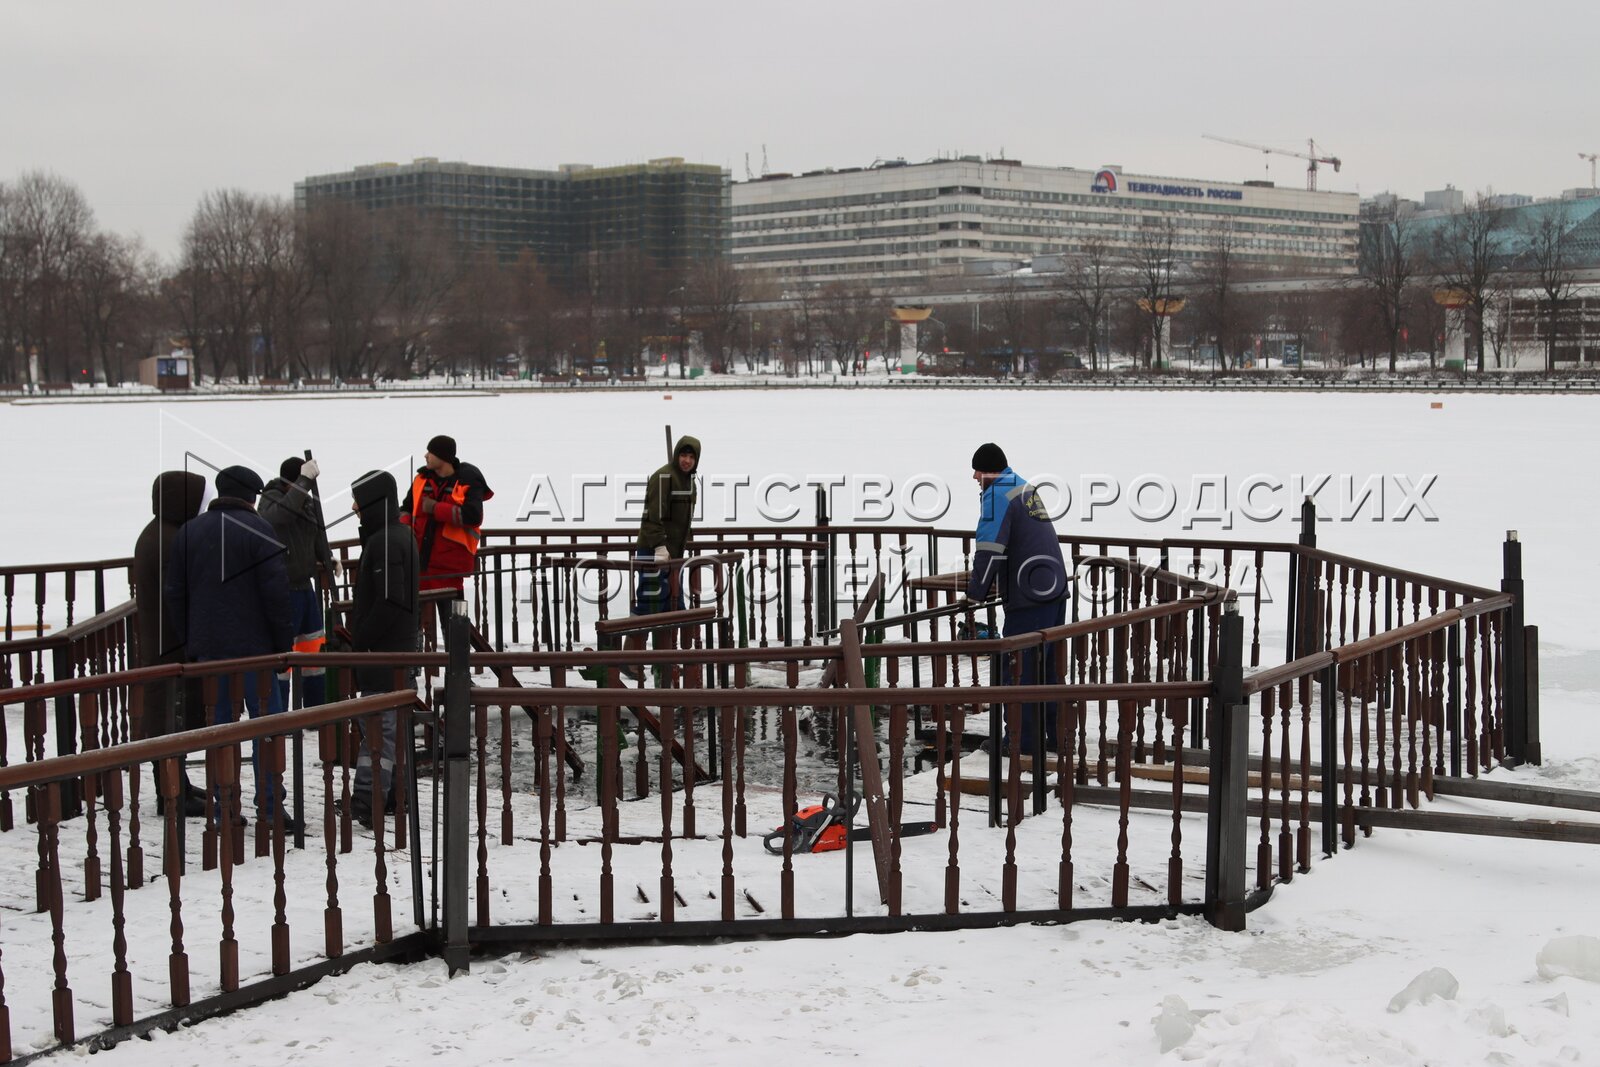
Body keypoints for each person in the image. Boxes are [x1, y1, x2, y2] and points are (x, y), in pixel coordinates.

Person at [165, 464, 296, 830]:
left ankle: (223, 808)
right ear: (251, 496)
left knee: (219, 732)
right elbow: (276, 596)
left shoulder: (189, 532)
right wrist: (282, 646)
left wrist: (191, 641)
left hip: (210, 652)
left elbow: (175, 592)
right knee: (266, 730)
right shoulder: (260, 531)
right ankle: (270, 807)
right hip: (258, 651)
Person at [966, 443, 1069, 753]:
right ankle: (1054, 738)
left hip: (1029, 595)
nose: (974, 477)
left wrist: (974, 595)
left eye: (977, 471)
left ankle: (1020, 742)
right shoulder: (1022, 486)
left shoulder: (997, 495)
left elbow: (990, 548)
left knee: (1019, 669)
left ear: (988, 471)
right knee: (1047, 671)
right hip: (1053, 588)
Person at [344, 470, 420, 827]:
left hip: (385, 653)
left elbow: (389, 600)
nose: (355, 508)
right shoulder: (397, 535)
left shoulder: (385, 542)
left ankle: (367, 799)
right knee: (389, 727)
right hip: (395, 651)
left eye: (360, 500)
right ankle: (390, 795)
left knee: (379, 728)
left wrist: (363, 639)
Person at [131, 469, 207, 815]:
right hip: (171, 645)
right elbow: (176, 596)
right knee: (170, 719)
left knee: (173, 716)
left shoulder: (161, 533)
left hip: (162, 642)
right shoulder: (168, 539)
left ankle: (177, 785)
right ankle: (171, 793)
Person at [258, 456, 336, 712]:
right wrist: (304, 482)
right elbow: (278, 517)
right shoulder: (270, 499)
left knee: (313, 651)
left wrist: (327, 558)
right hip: (282, 590)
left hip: (305, 588)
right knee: (283, 657)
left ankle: (315, 709)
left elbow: (315, 534)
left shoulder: (306, 503)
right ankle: (279, 713)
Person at [400, 435, 492, 596]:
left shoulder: (467, 480)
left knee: (453, 618)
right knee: (419, 618)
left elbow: (473, 516)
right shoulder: (421, 480)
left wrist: (435, 508)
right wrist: (405, 527)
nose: (426, 456)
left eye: (431, 452)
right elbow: (405, 508)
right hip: (420, 563)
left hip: (450, 567)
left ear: (443, 457)